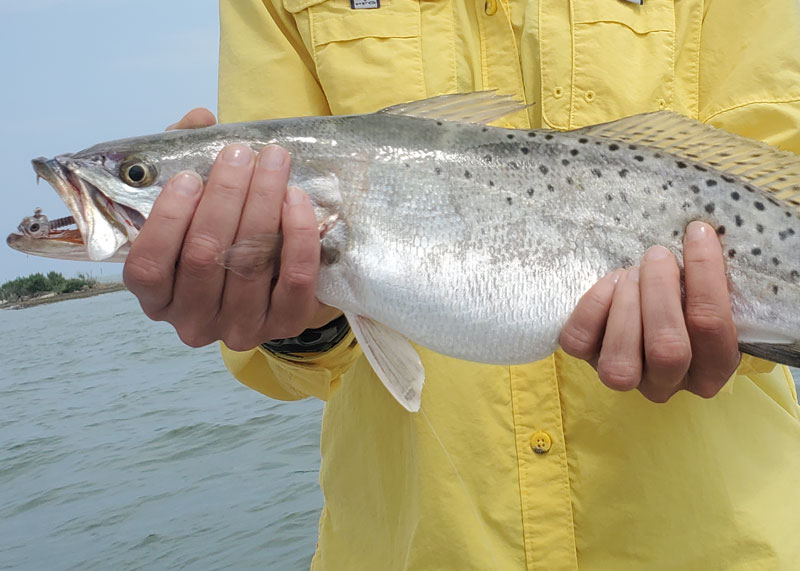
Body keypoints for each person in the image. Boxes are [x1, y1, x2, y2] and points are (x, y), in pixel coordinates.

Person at [124, 1, 800, 568]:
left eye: (134, 176)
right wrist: (300, 317)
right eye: (140, 177)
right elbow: (293, 353)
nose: (134, 187)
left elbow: (778, 161)